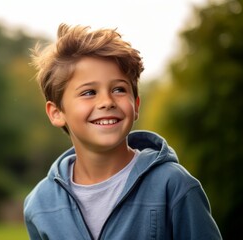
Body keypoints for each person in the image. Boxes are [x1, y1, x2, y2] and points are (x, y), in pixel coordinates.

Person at [23, 23, 222, 240]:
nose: (107, 101)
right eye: (89, 92)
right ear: (56, 112)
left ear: (136, 105)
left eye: (119, 89)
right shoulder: (40, 203)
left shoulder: (174, 185)